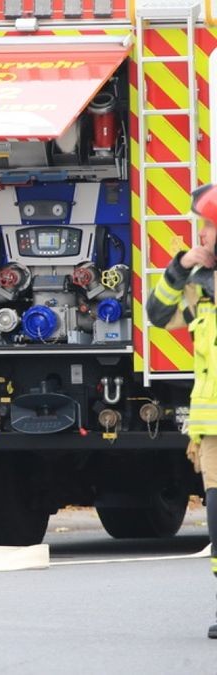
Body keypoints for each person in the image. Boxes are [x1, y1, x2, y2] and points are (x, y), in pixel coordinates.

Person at [147, 183, 217, 638]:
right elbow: (157, 314)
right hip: (213, 431)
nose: (203, 235)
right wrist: (180, 267)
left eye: (209, 227)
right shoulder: (196, 286)